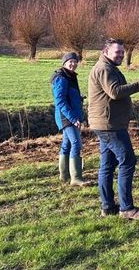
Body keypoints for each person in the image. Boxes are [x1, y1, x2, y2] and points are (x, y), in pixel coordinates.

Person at [88, 38, 139, 219]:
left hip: (107, 123)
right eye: (117, 52)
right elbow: (115, 92)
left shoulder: (108, 68)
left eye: (122, 52)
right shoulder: (104, 69)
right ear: (106, 51)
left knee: (107, 165)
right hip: (110, 125)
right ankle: (126, 209)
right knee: (128, 161)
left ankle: (108, 207)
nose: (120, 55)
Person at [51, 52, 91, 186]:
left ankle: (65, 176)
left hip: (71, 116)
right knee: (76, 144)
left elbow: (71, 98)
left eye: (75, 61)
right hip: (66, 117)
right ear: (64, 63)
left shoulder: (70, 77)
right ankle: (76, 177)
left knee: (67, 144)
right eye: (70, 62)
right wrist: (74, 119)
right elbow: (60, 102)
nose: (73, 64)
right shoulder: (61, 78)